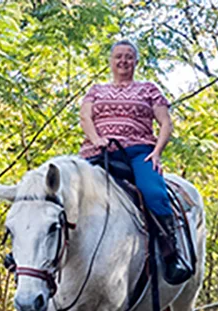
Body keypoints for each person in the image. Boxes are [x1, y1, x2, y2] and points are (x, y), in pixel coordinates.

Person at [79, 39, 189, 284]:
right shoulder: (96, 90)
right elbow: (85, 117)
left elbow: (165, 123)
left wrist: (157, 152)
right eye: (118, 56)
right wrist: (97, 139)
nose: (123, 61)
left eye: (128, 57)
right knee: (66, 187)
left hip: (139, 151)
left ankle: (171, 253)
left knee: (154, 192)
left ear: (136, 62)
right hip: (100, 151)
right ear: (111, 61)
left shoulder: (148, 89)